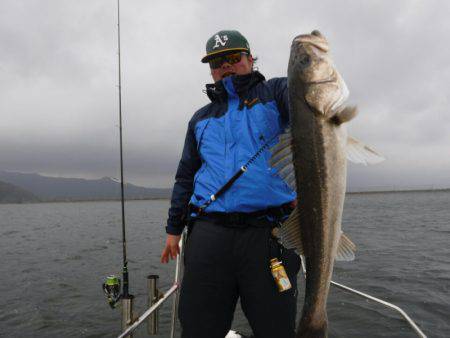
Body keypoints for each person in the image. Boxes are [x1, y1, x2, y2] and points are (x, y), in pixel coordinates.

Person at [161, 30, 301, 338]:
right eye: (216, 62)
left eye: (233, 58)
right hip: (209, 236)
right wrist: (173, 229)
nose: (225, 66)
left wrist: (308, 61)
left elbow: (308, 99)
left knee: (277, 329)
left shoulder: (276, 94)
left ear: (250, 60)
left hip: (270, 235)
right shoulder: (200, 118)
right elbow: (186, 175)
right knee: (199, 328)